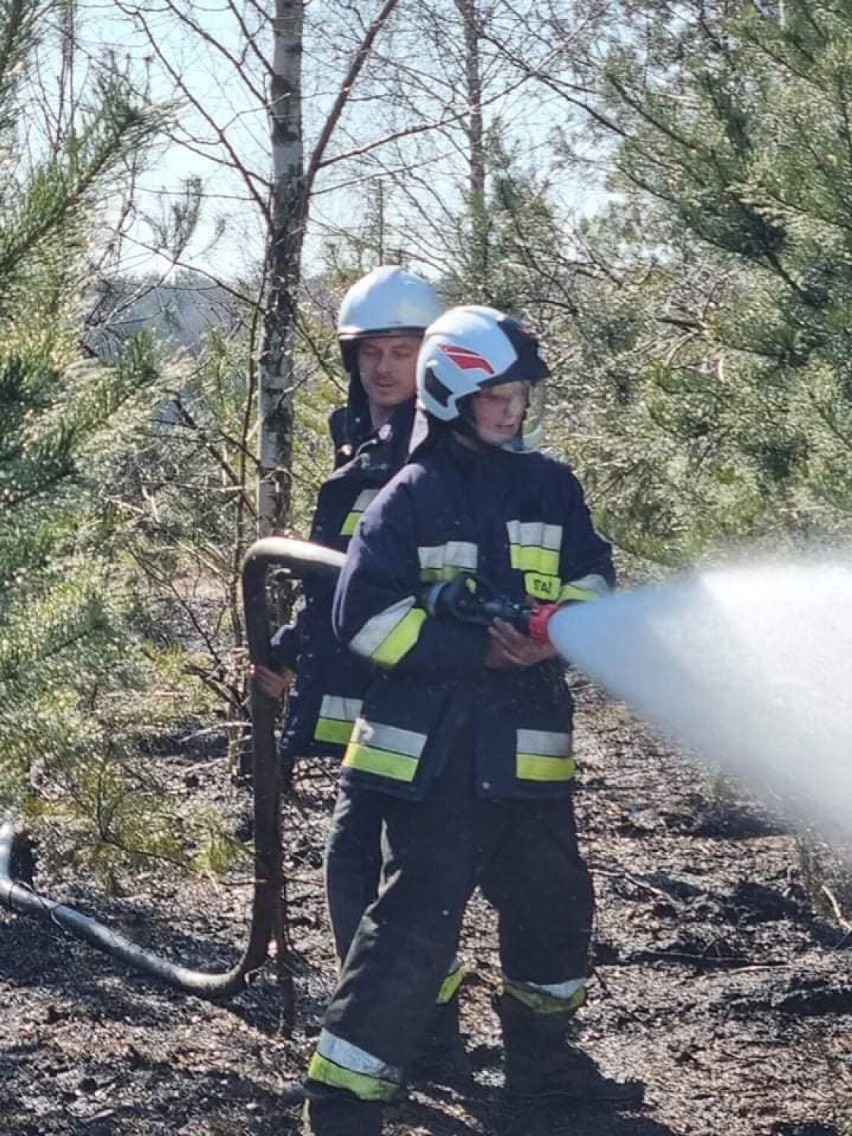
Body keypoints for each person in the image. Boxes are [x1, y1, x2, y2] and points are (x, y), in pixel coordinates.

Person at [300, 305, 644, 1135]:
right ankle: (346, 1099)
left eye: (520, 393)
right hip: (436, 757)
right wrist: (472, 651)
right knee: (413, 929)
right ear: (453, 391)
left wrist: (553, 631)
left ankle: (544, 1065)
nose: (511, 407)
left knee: (555, 910)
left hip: (528, 749)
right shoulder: (411, 494)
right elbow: (365, 617)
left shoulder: (551, 486)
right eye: (496, 394)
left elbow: (595, 574)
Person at [252, 266, 467, 1081]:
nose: (383, 368)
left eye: (402, 351)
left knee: (370, 866)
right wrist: (292, 649)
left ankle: (397, 1029)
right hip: (369, 697)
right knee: (365, 863)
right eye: (370, 351)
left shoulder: (435, 452)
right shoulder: (362, 439)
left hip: (421, 698)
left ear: (432, 358)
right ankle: (419, 1019)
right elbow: (334, 577)